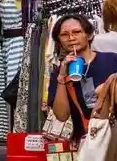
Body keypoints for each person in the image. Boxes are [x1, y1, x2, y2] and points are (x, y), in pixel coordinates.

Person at [49, 13, 117, 145]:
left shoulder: (112, 60)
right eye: (64, 34)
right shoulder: (60, 72)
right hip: (85, 142)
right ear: (58, 41)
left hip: (113, 139)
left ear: (89, 35)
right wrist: (62, 76)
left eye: (77, 32)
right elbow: (61, 115)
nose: (71, 38)